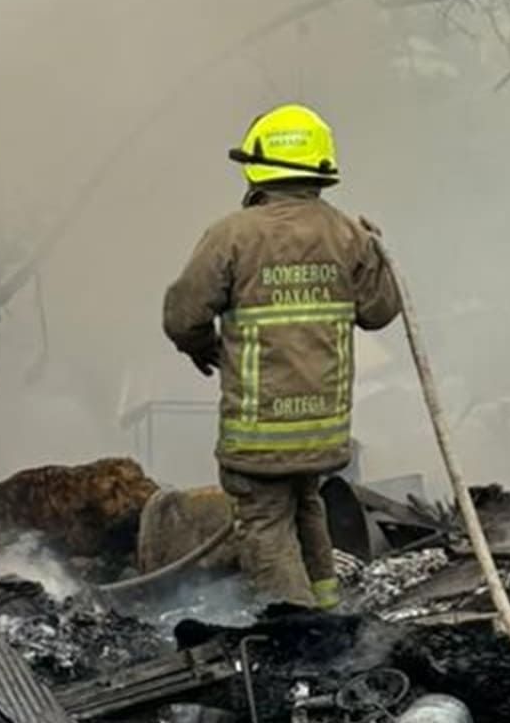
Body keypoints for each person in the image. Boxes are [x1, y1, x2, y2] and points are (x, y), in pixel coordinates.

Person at [163, 103, 400, 610]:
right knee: (306, 501)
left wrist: (203, 347)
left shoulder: (233, 234)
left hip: (259, 429)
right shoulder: (347, 235)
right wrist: (377, 256)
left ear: (257, 166)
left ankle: (295, 630)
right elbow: (379, 313)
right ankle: (328, 606)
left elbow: (182, 315)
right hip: (323, 427)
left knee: (265, 522)